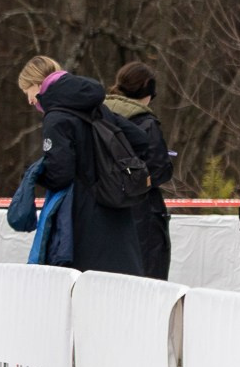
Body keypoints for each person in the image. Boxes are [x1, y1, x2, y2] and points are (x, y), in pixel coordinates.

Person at [19, 53, 159, 276]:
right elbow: (141, 140)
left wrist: (36, 174)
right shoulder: (98, 107)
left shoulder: (56, 118)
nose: (29, 100)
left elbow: (61, 174)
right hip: (117, 214)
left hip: (81, 222)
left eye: (27, 91)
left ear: (37, 84)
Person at [107, 60, 174, 282]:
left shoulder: (99, 116)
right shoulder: (145, 122)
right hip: (141, 211)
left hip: (104, 208)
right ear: (147, 89)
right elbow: (159, 168)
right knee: (147, 278)